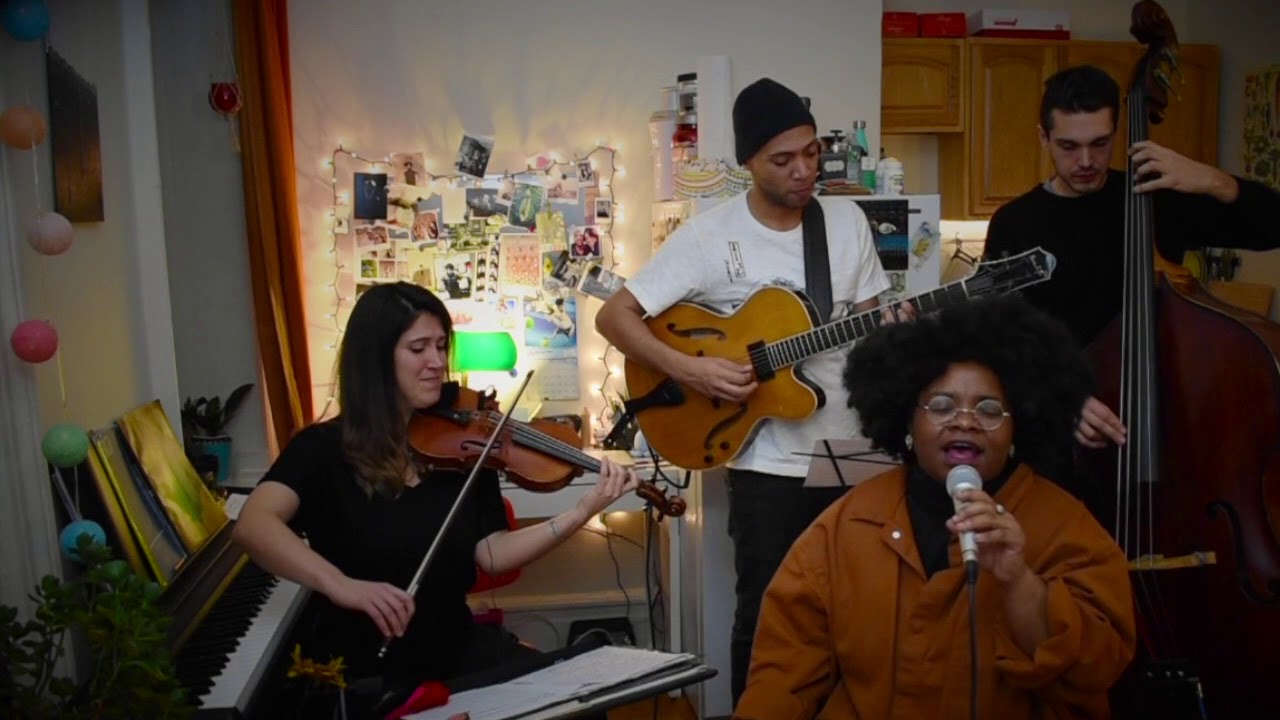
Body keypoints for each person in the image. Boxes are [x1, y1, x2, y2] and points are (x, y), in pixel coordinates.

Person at [595, 76, 910, 705]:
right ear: (748, 163)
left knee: (862, 611)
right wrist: (690, 369)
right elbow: (615, 316)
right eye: (783, 160)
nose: (803, 171)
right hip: (766, 462)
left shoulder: (846, 222)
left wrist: (900, 341)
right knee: (769, 616)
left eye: (812, 153)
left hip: (853, 450)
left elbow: (875, 336)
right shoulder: (710, 236)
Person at [232, 282, 639, 715]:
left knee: (584, 706)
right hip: (369, 675)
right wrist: (343, 586)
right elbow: (253, 524)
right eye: (419, 348)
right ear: (376, 359)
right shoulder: (323, 449)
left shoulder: (465, 449)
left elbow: (492, 555)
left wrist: (582, 511)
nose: (437, 363)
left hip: (454, 655)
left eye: (442, 346)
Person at [736, 295, 1137, 719]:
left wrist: (1019, 581)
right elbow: (783, 673)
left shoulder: (1064, 524)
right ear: (907, 423)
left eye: (988, 409)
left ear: (1019, 428)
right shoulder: (846, 524)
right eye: (941, 406)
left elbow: (1099, 667)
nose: (965, 421)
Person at [983, 65, 1280, 453]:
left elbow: (1272, 226)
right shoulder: (1015, 223)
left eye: (1101, 143)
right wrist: (1061, 396)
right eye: (1069, 147)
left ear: (1117, 133)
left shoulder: (1155, 199)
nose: (1087, 160)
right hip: (1061, 434)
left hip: (1166, 423)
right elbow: (1000, 340)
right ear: (1044, 137)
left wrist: (1211, 179)